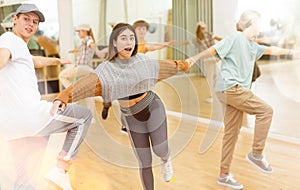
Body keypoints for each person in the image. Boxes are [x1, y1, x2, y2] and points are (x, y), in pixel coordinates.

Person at [52, 23, 191, 190]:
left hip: (152, 107)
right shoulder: (106, 69)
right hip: (131, 116)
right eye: (123, 38)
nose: (129, 42)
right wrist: (63, 96)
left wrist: (183, 64)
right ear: (115, 43)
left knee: (160, 149)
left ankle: (166, 159)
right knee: (144, 161)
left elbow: (167, 66)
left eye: (131, 38)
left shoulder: (143, 61)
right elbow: (87, 84)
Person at [185, 10, 300, 189]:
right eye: (258, 23)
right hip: (232, 88)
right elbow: (214, 49)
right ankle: (256, 154)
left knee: (231, 134)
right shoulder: (236, 37)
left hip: (228, 91)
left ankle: (223, 175)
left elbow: (272, 50)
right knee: (266, 111)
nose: (260, 27)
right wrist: (194, 58)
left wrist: (293, 52)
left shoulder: (251, 44)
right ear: (251, 23)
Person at [0, 4, 92, 190]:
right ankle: (60, 170)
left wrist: (57, 60)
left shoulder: (20, 48)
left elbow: (35, 61)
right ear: (14, 19)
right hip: (31, 118)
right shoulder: (9, 39)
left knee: (25, 178)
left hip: (11, 127)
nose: (31, 24)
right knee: (83, 117)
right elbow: (1, 59)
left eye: (35, 22)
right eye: (26, 19)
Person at [102, 19, 176, 134]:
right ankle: (111, 109)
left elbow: (153, 47)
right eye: (139, 29)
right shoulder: (128, 42)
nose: (142, 31)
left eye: (144, 29)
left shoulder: (144, 44)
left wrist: (164, 45)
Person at [59, 24, 107, 88]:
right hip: (88, 69)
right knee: (83, 88)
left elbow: (92, 44)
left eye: (79, 31)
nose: (78, 33)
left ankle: (72, 91)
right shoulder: (85, 41)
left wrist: (98, 51)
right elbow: (80, 49)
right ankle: (91, 97)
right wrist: (73, 51)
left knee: (62, 75)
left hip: (82, 67)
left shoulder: (88, 39)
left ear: (85, 31)